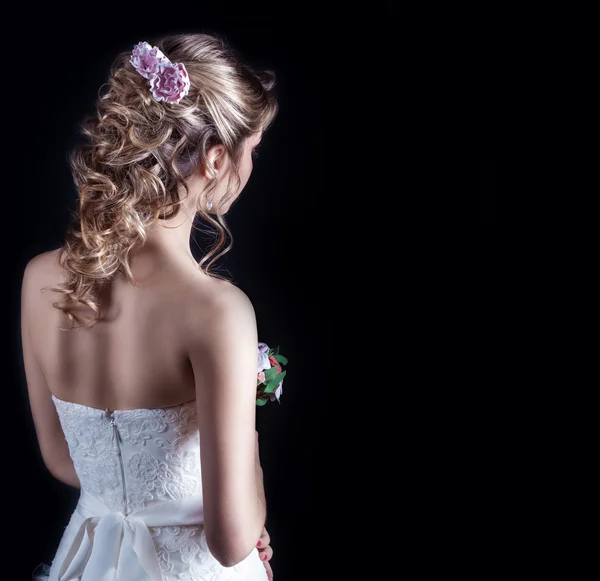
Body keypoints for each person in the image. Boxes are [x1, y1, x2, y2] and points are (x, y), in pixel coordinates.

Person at [21, 33, 279, 581]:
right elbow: (232, 540)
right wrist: (249, 467)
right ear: (214, 159)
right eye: (251, 149)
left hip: (89, 559)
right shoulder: (217, 311)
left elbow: (62, 458)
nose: (250, 164)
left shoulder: (39, 279)